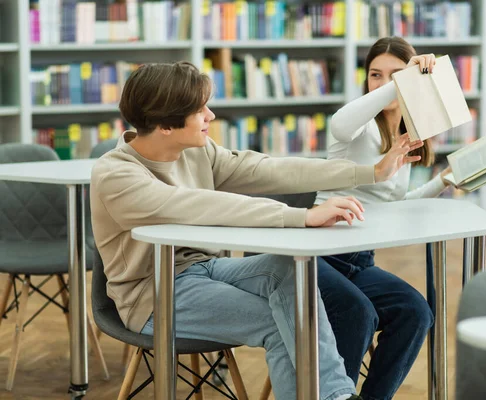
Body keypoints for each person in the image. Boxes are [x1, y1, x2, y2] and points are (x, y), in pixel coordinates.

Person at [89, 61, 424, 400]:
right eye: (199, 109)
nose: (211, 116)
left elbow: (269, 170)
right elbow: (207, 206)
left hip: (205, 270)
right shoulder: (117, 176)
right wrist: (302, 216)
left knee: (286, 268)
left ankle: (335, 395)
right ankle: (337, 396)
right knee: (277, 322)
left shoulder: (197, 152)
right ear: (165, 125)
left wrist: (369, 173)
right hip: (152, 297)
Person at [313, 36, 455, 400]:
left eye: (394, 75)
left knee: (416, 312)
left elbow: (392, 202)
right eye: (375, 75)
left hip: (359, 261)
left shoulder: (407, 133)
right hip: (317, 256)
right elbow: (340, 122)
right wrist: (401, 82)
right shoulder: (354, 128)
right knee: (357, 313)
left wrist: (445, 180)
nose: (383, 83)